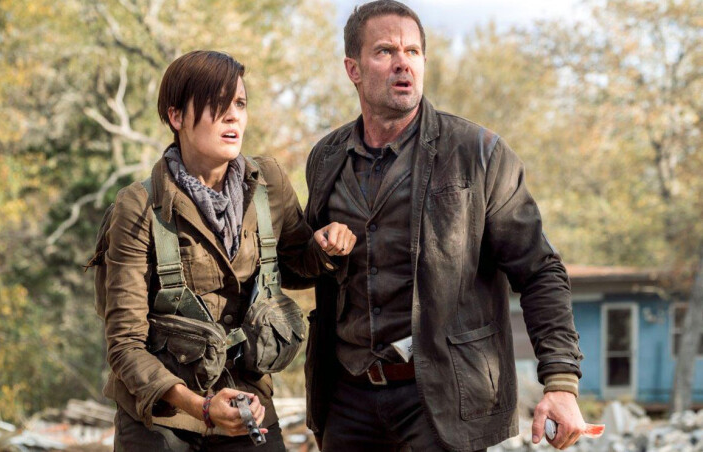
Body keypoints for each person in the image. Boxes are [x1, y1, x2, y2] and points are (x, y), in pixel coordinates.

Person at [302, 1, 585, 451]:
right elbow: (301, 267)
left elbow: (539, 271)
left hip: (444, 400)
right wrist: (318, 249)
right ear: (353, 69)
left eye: (413, 52)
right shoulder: (326, 158)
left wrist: (561, 381)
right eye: (385, 51)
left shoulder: (479, 152)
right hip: (349, 397)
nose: (403, 63)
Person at [101, 50, 356, 451]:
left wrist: (326, 247)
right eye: (218, 105)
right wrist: (201, 407)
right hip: (163, 418)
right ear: (176, 117)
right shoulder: (138, 207)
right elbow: (125, 345)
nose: (233, 116)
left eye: (240, 103)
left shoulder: (268, 182)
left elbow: (296, 266)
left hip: (248, 403)